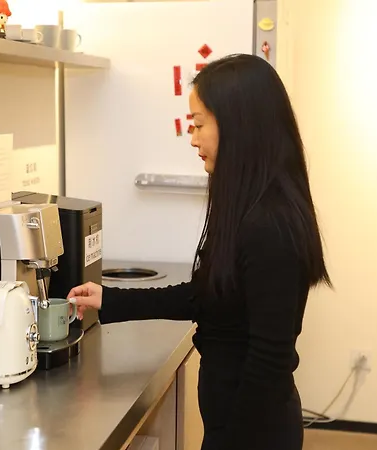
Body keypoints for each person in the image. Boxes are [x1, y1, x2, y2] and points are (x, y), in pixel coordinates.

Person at [67, 54, 332, 450]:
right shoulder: (247, 207)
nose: (192, 138)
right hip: (235, 424)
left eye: (199, 124)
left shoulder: (269, 225)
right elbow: (206, 295)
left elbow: (269, 361)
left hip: (251, 434)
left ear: (238, 126)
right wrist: (111, 299)